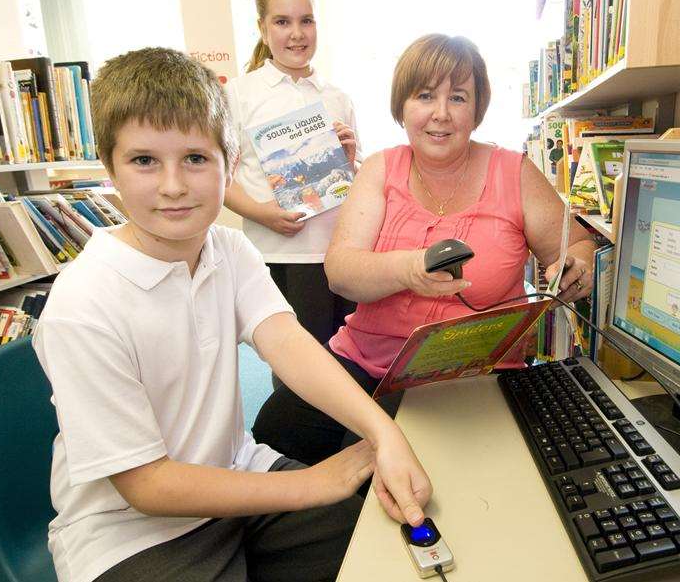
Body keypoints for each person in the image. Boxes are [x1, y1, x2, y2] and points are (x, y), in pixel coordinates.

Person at [32, 48, 430, 582]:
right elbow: (145, 485)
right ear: (110, 167)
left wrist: (385, 434)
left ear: (229, 160)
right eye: (145, 160)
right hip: (129, 532)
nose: (173, 186)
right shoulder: (84, 304)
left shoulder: (229, 248)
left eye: (196, 159)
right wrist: (313, 484)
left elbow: (287, 344)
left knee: (381, 555)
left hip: (237, 476)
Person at [252, 34, 598, 466]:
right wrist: (412, 269)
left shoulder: (516, 172)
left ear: (477, 109)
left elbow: (577, 245)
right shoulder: (380, 168)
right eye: (424, 96)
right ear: (402, 106)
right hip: (366, 362)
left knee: (372, 464)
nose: (440, 114)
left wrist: (577, 265)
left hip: (471, 374)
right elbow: (340, 271)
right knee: (276, 430)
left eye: (457, 97)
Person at [224, 0, 359, 381]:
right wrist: (262, 213)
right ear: (263, 28)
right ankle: (300, 446)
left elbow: (351, 184)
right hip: (282, 256)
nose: (296, 33)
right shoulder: (239, 94)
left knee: (348, 359)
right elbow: (217, 179)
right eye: (282, 22)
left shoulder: (335, 96)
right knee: (299, 370)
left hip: (339, 254)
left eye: (306, 20)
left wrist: (349, 160)